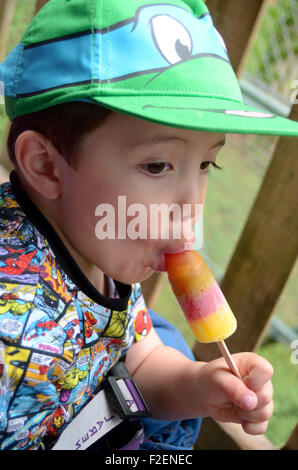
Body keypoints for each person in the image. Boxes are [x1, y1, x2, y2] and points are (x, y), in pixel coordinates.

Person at [0, 0, 297, 451]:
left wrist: (199, 385)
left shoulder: (100, 241)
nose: (192, 204)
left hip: (93, 406)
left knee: (169, 341)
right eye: (157, 165)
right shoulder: (12, 323)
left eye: (206, 165)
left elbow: (138, 358)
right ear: (46, 165)